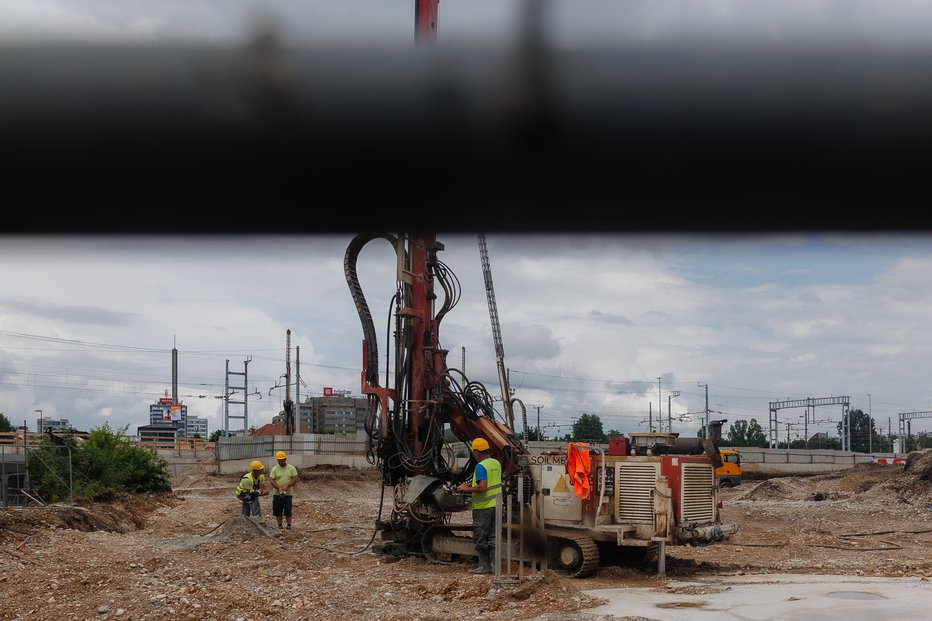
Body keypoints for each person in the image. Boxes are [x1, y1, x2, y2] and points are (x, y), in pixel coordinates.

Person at [456, 437, 502, 575]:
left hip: (484, 507)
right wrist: (470, 483)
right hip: (497, 505)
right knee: (494, 536)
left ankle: (484, 566)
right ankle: (495, 567)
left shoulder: (480, 466)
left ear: (477, 451)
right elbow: (489, 481)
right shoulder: (495, 463)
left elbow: (483, 487)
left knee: (481, 536)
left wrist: (465, 489)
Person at [268, 450, 300, 530]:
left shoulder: (291, 468)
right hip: (277, 493)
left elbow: (295, 478)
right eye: (279, 461)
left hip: (288, 493)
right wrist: (278, 487)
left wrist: (287, 485)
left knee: (288, 510)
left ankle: (289, 525)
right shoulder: (274, 469)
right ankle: (280, 525)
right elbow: (271, 480)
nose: (280, 462)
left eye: (282, 460)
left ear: (285, 459)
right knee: (278, 510)